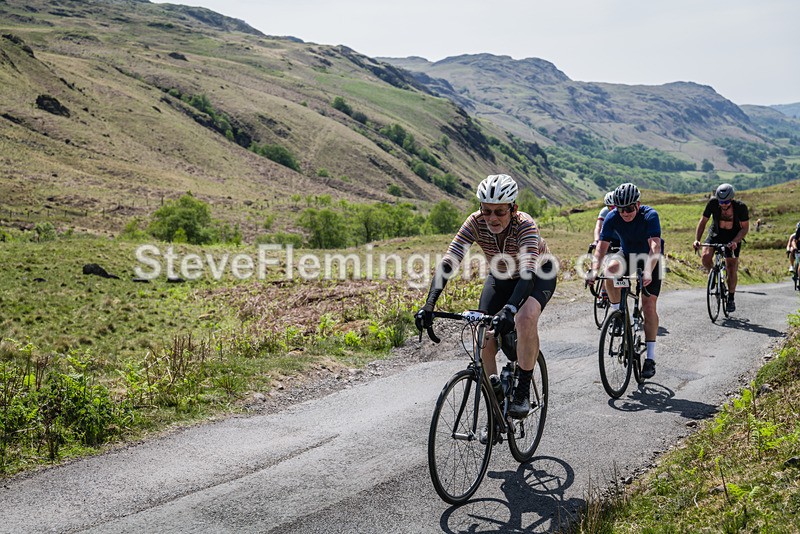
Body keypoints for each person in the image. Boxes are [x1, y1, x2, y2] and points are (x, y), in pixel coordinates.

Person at [415, 173, 557, 420]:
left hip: (536, 275)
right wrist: (430, 303)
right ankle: (496, 400)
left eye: (499, 212)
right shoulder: (475, 222)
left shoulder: (525, 225)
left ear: (514, 209)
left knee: (525, 318)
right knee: (482, 332)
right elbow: (450, 260)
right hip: (501, 276)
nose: (492, 218)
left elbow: (527, 274)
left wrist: (510, 309)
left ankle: (522, 390)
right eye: (486, 210)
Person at [586, 183, 663, 379]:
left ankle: (650, 358)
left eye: (629, 208)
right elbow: (601, 249)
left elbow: (655, 247)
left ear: (638, 204)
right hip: (627, 256)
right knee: (609, 270)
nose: (625, 213)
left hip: (650, 260)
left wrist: (647, 271)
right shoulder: (612, 217)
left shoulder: (650, 216)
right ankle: (616, 311)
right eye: (621, 209)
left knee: (648, 306)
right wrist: (594, 271)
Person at [692, 183, 749, 312]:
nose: (723, 204)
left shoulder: (740, 207)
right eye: (721, 201)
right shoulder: (712, 203)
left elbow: (745, 228)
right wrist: (697, 239)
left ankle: (731, 298)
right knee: (705, 257)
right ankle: (713, 274)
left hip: (733, 237)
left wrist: (735, 241)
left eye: (727, 201)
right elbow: (703, 222)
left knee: (731, 267)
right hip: (715, 233)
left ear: (732, 199)